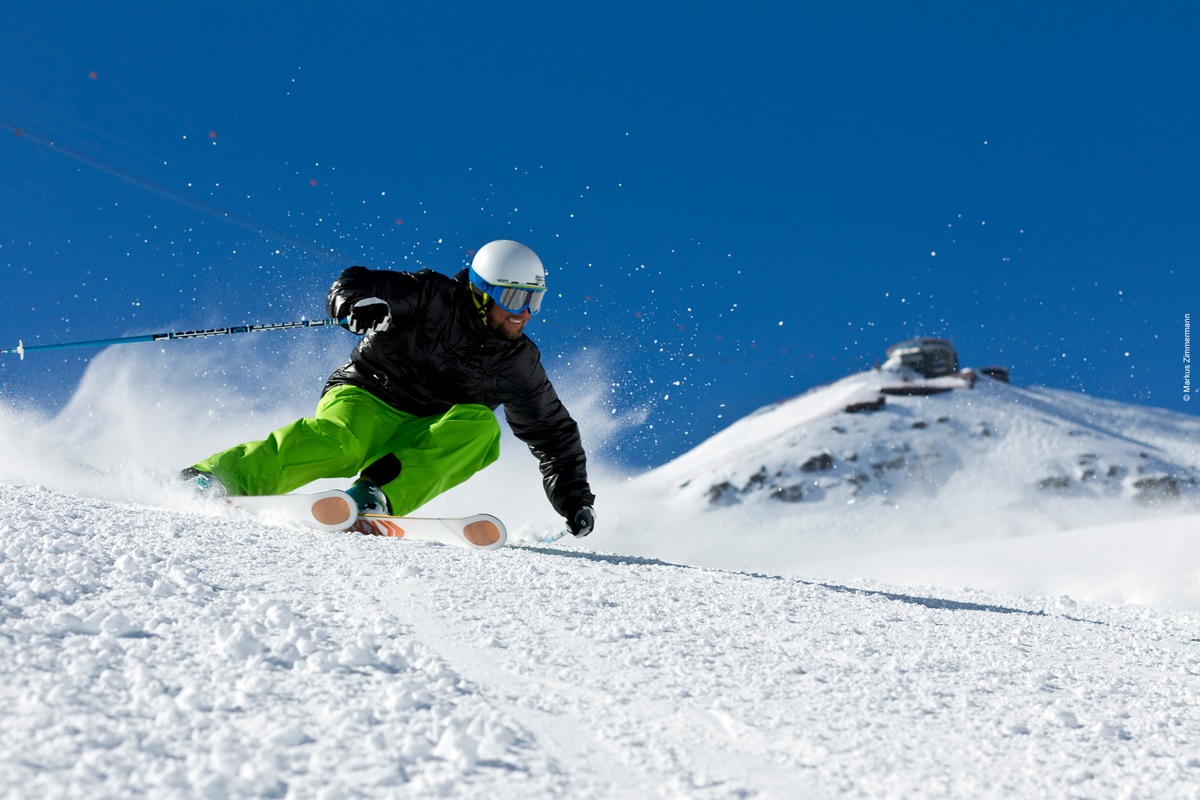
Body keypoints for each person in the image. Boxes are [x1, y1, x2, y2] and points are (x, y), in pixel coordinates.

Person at [181, 239, 596, 538]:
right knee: (342, 443)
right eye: (512, 297)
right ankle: (217, 476)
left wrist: (575, 499)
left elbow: (552, 432)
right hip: (368, 394)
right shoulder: (433, 296)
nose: (523, 314)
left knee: (482, 431)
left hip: (425, 429)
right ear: (480, 291)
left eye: (533, 301)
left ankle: (374, 495)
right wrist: (356, 306)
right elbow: (356, 282)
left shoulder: (518, 361)